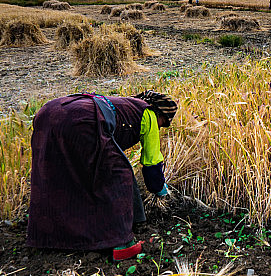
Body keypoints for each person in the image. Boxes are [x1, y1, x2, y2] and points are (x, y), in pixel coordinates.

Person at [27, 90, 177, 258]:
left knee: (57, 175)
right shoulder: (148, 114)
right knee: (118, 175)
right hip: (82, 121)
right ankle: (121, 243)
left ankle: (45, 236)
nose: (159, 127)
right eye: (162, 123)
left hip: (48, 112)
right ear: (160, 114)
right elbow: (152, 162)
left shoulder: (124, 105)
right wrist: (159, 188)